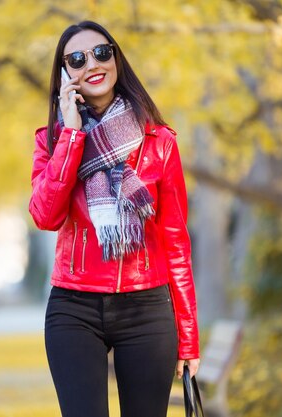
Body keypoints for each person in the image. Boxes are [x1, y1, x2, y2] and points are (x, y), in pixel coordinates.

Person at [28, 21, 200, 417]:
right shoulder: (51, 140)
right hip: (74, 307)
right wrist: (71, 137)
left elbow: (175, 241)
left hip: (146, 309)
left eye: (101, 52)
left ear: (116, 57)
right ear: (65, 75)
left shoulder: (160, 143)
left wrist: (188, 338)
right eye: (77, 59)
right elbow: (45, 215)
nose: (93, 63)